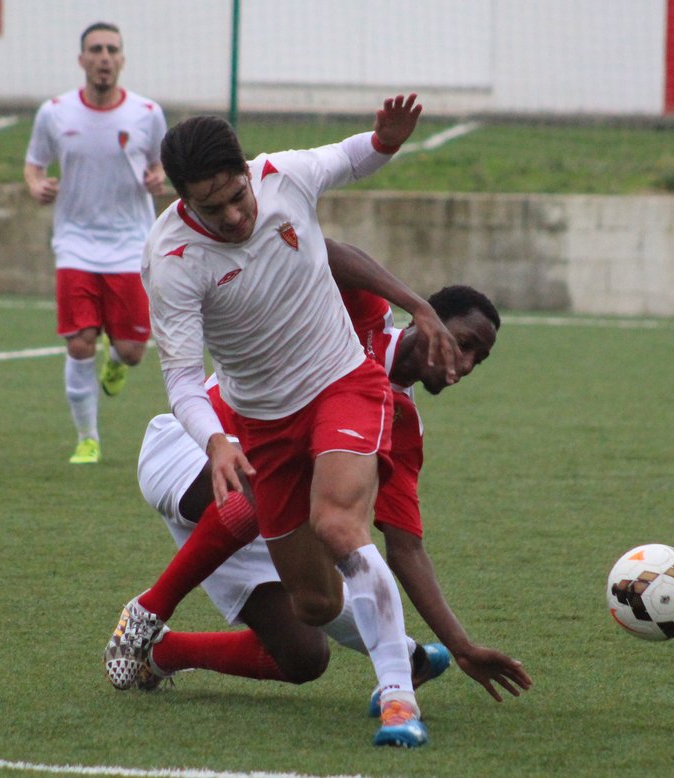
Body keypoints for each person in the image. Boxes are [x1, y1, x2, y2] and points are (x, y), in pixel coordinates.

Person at [139, 96, 460, 748]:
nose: (234, 216)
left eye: (237, 197)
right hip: (263, 425)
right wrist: (217, 440)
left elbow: (351, 157)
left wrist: (385, 140)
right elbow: (182, 379)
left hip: (343, 384)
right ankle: (398, 653)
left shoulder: (284, 176)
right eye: (212, 208)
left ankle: (398, 699)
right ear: (182, 201)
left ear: (246, 172)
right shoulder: (170, 259)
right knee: (314, 603)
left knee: (339, 523)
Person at [24, 22, 167, 464]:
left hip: (130, 244)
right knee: (80, 342)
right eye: (96, 49)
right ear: (82, 59)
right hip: (75, 243)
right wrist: (36, 185)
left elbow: (161, 165)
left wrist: (158, 177)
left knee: (132, 352)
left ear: (121, 59)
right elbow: (34, 164)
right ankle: (87, 438)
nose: (104, 57)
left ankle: (117, 362)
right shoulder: (55, 113)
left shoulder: (147, 113)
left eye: (111, 50)